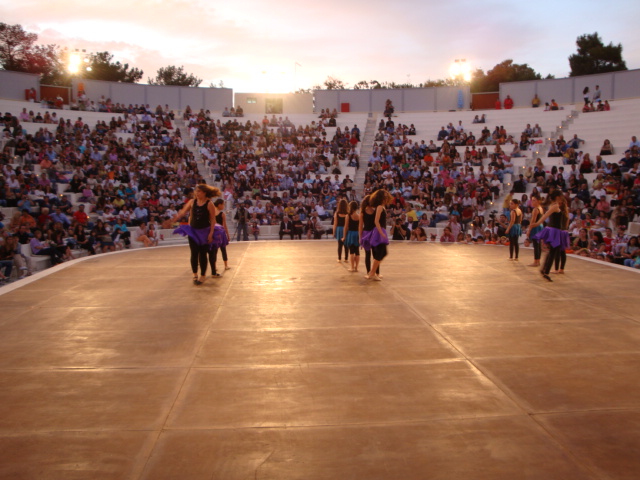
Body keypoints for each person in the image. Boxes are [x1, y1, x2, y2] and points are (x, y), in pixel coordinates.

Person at [171, 184, 221, 285]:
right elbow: (183, 212)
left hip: (204, 232)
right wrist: (174, 219)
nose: (197, 193)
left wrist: (211, 233)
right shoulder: (192, 202)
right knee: (194, 253)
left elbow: (212, 219)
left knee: (203, 254)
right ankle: (194, 274)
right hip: (193, 231)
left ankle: (203, 275)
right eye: (196, 191)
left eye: (199, 191)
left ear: (204, 192)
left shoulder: (209, 203)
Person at [531, 190, 570, 281]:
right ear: (557, 197)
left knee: (552, 252)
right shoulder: (555, 206)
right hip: (555, 231)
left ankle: (544, 269)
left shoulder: (554, 205)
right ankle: (546, 272)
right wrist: (537, 223)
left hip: (555, 230)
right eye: (560, 196)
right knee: (553, 252)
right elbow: (545, 215)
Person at [361, 189, 392, 281]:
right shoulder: (379, 207)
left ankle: (373, 273)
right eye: (385, 196)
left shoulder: (382, 207)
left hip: (381, 231)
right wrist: (381, 233)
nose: (386, 198)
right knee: (380, 253)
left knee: (383, 253)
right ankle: (372, 273)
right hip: (379, 232)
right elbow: (376, 221)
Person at [213, 198, 231, 272]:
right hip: (220, 233)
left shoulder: (212, 213)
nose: (223, 206)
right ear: (219, 204)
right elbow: (224, 225)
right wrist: (227, 235)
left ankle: (214, 266)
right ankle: (226, 265)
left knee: (215, 251)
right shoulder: (222, 214)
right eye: (223, 204)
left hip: (214, 232)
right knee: (223, 249)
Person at [526, 196, 544, 267]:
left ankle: (536, 261)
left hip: (535, 227)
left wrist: (529, 230)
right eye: (532, 200)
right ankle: (538, 261)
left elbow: (532, 221)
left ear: (538, 201)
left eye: (534, 200)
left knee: (536, 245)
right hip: (540, 226)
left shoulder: (536, 209)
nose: (532, 202)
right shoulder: (541, 208)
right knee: (538, 245)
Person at [343, 201, 360, 273]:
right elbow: (360, 227)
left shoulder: (348, 216)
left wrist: (344, 236)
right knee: (357, 251)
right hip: (357, 234)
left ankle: (352, 267)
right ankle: (356, 267)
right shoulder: (359, 216)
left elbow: (346, 227)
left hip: (350, 234)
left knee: (351, 251)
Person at [333, 198, 349, 263]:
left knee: (339, 245)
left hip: (339, 229)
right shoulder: (348, 213)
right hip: (346, 229)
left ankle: (339, 258)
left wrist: (333, 232)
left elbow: (335, 224)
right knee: (346, 245)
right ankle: (346, 258)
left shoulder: (337, 213)